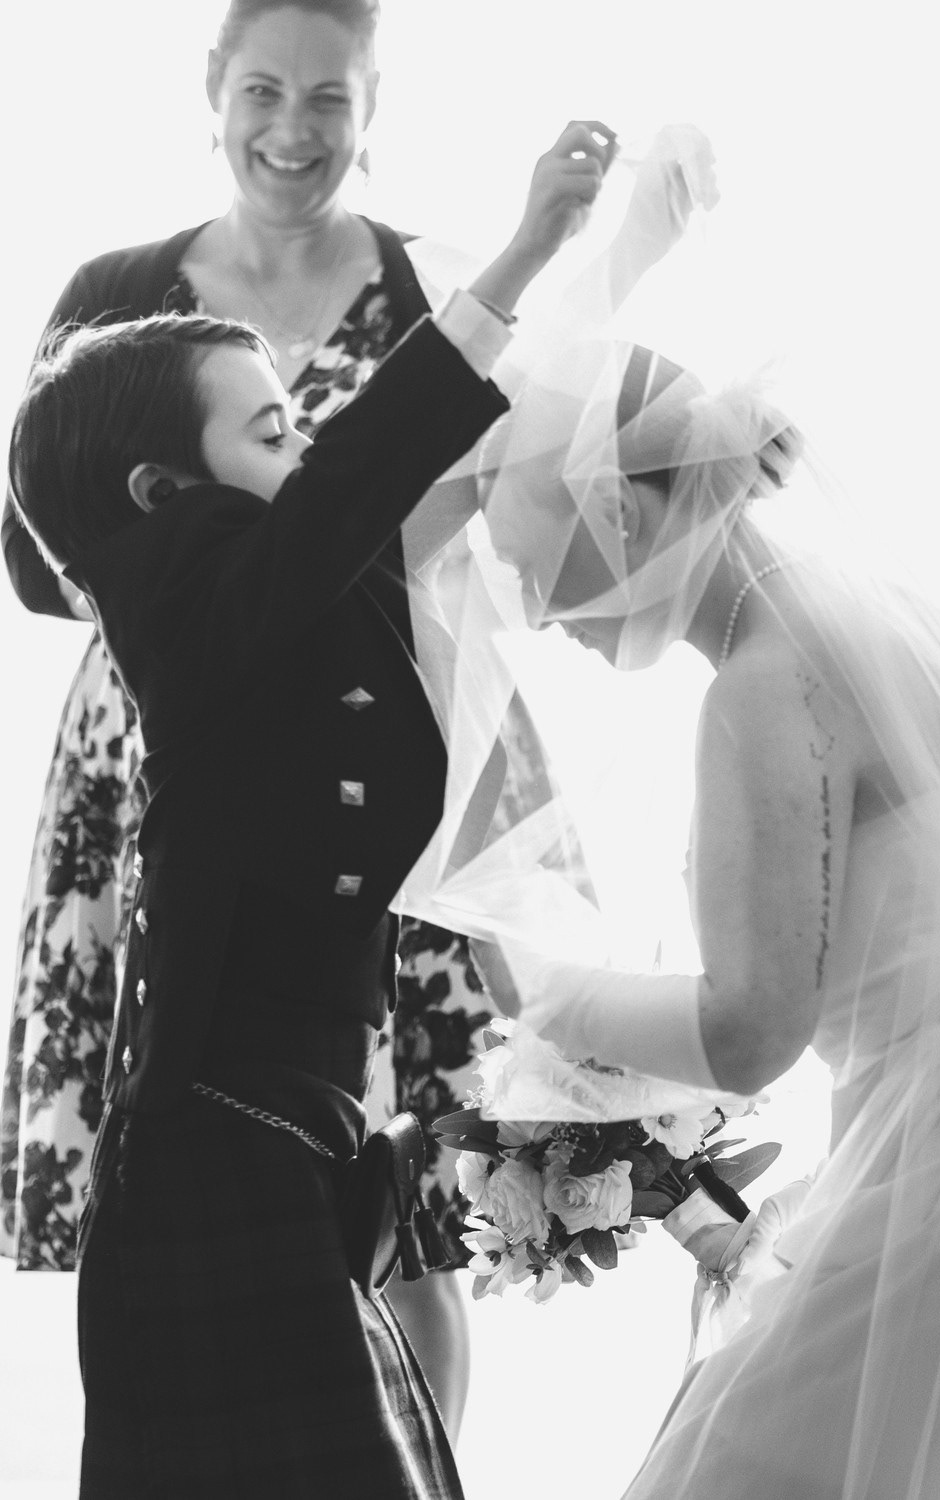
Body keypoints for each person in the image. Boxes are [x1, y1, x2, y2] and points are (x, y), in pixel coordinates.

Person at [6, 111, 614, 1495]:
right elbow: (352, 492)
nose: (309, 459)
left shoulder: (299, 615)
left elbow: (422, 489)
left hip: (299, 1150)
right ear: (163, 497)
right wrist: (520, 253)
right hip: (211, 1178)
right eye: (275, 432)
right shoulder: (183, 612)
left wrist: (607, 266)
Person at [398, 129, 940, 1499]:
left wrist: (549, 1002)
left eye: (537, 550)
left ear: (623, 512)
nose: (536, 608)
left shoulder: (763, 684)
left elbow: (752, 1027)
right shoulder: (868, 613)